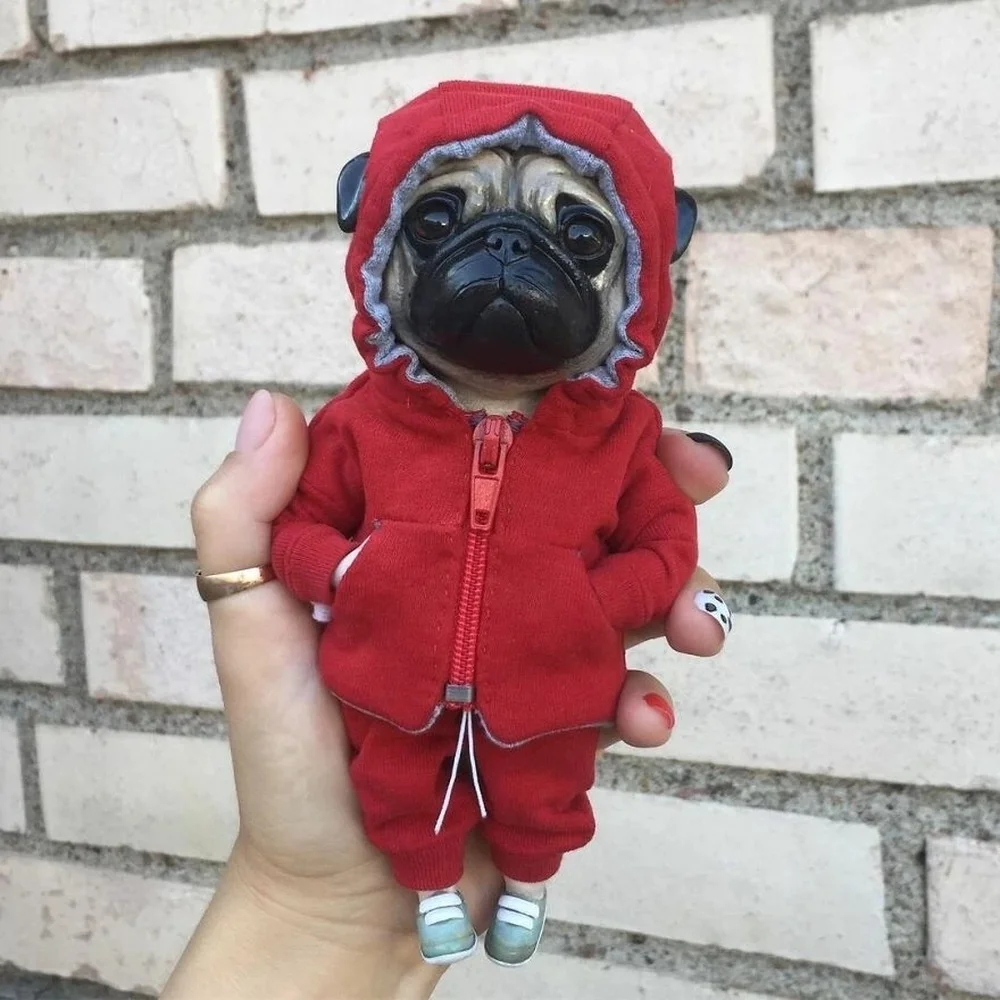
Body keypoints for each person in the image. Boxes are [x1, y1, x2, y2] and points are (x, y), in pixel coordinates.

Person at [161, 389, 733, 1000]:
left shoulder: (621, 430)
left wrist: (598, 602)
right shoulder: (364, 415)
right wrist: (342, 570)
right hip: (388, 682)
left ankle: (527, 889)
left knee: (544, 790)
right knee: (397, 786)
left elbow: (666, 539)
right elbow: (303, 521)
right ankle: (433, 894)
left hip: (551, 683)